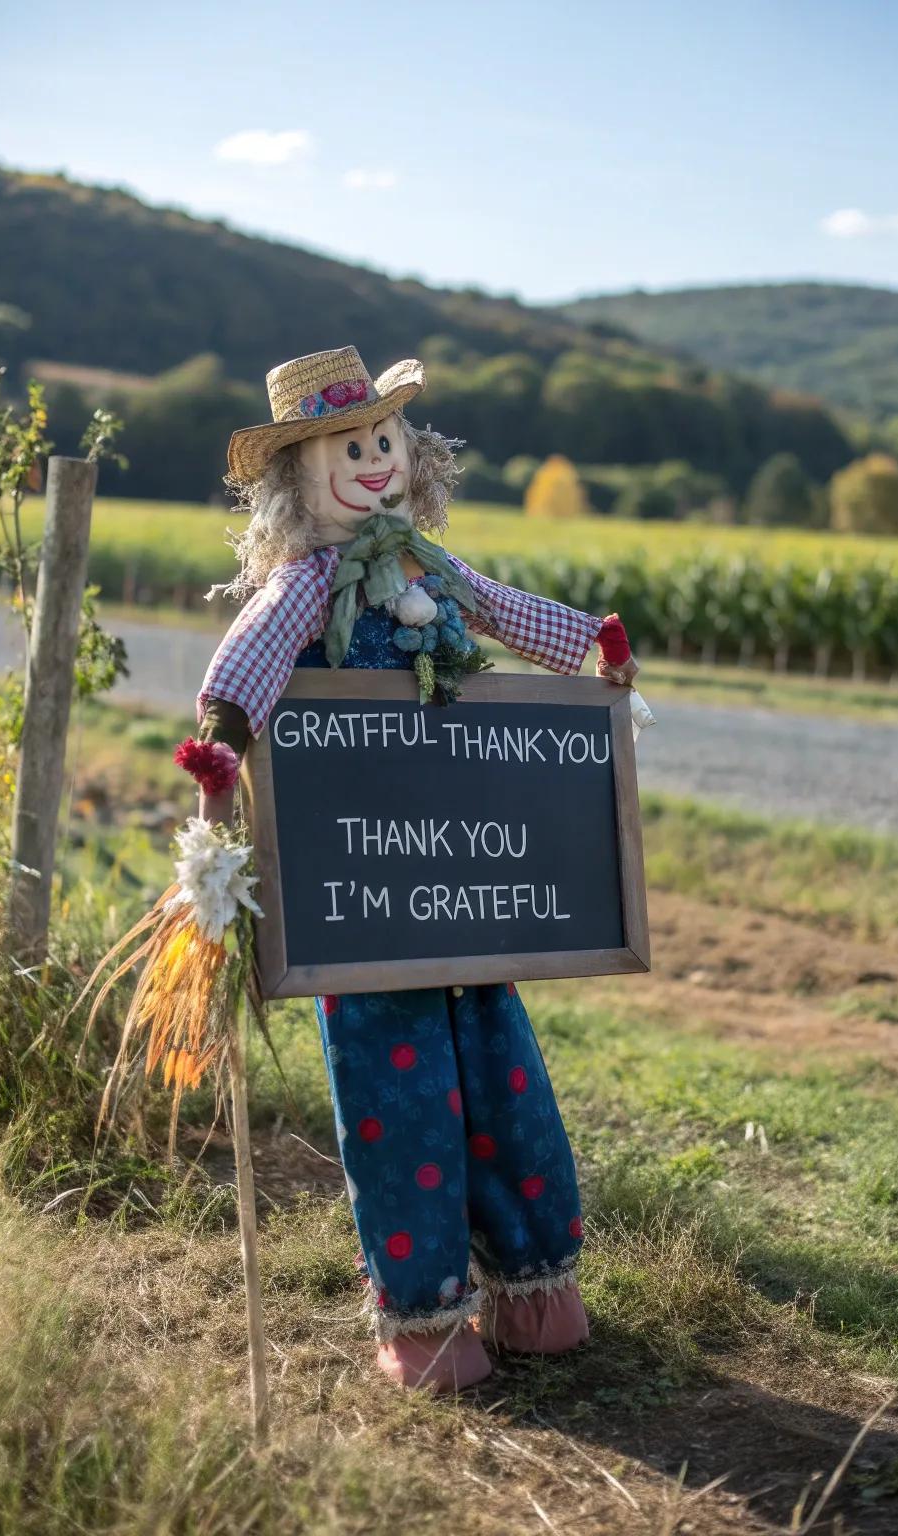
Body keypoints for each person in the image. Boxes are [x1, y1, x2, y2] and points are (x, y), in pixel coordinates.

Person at [180, 346, 638, 1391]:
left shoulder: (427, 566)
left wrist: (592, 649)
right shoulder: (307, 585)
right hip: (360, 896)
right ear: (299, 478)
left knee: (500, 1074)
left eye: (382, 440)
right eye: (349, 449)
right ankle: (429, 1327)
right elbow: (244, 664)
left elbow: (505, 610)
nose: (374, 461)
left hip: (460, 883)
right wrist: (221, 749)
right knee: (401, 1096)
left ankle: (535, 1295)